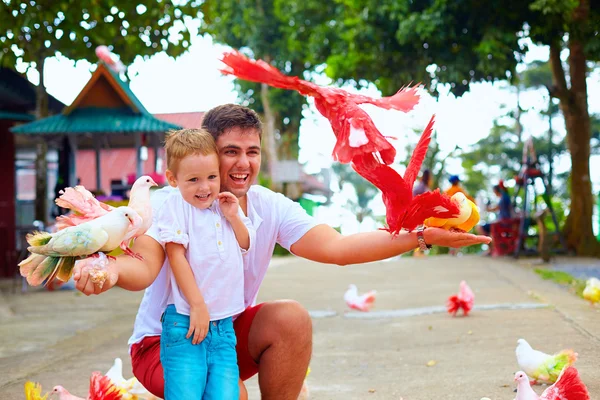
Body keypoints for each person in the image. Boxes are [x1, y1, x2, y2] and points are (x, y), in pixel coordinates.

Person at [72, 104, 491, 400]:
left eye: (251, 152)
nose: (242, 163)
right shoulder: (168, 203)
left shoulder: (268, 205)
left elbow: (339, 248)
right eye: (230, 151)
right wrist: (106, 273)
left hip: (224, 332)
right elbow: (143, 264)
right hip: (164, 343)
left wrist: (423, 235)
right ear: (205, 151)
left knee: (290, 318)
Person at [157, 129, 253, 399]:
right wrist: (198, 305)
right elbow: (176, 257)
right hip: (187, 321)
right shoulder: (175, 206)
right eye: (193, 179)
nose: (205, 187)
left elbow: (245, 244)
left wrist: (233, 216)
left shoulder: (224, 205)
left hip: (223, 326)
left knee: (225, 395)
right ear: (173, 179)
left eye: (212, 177)